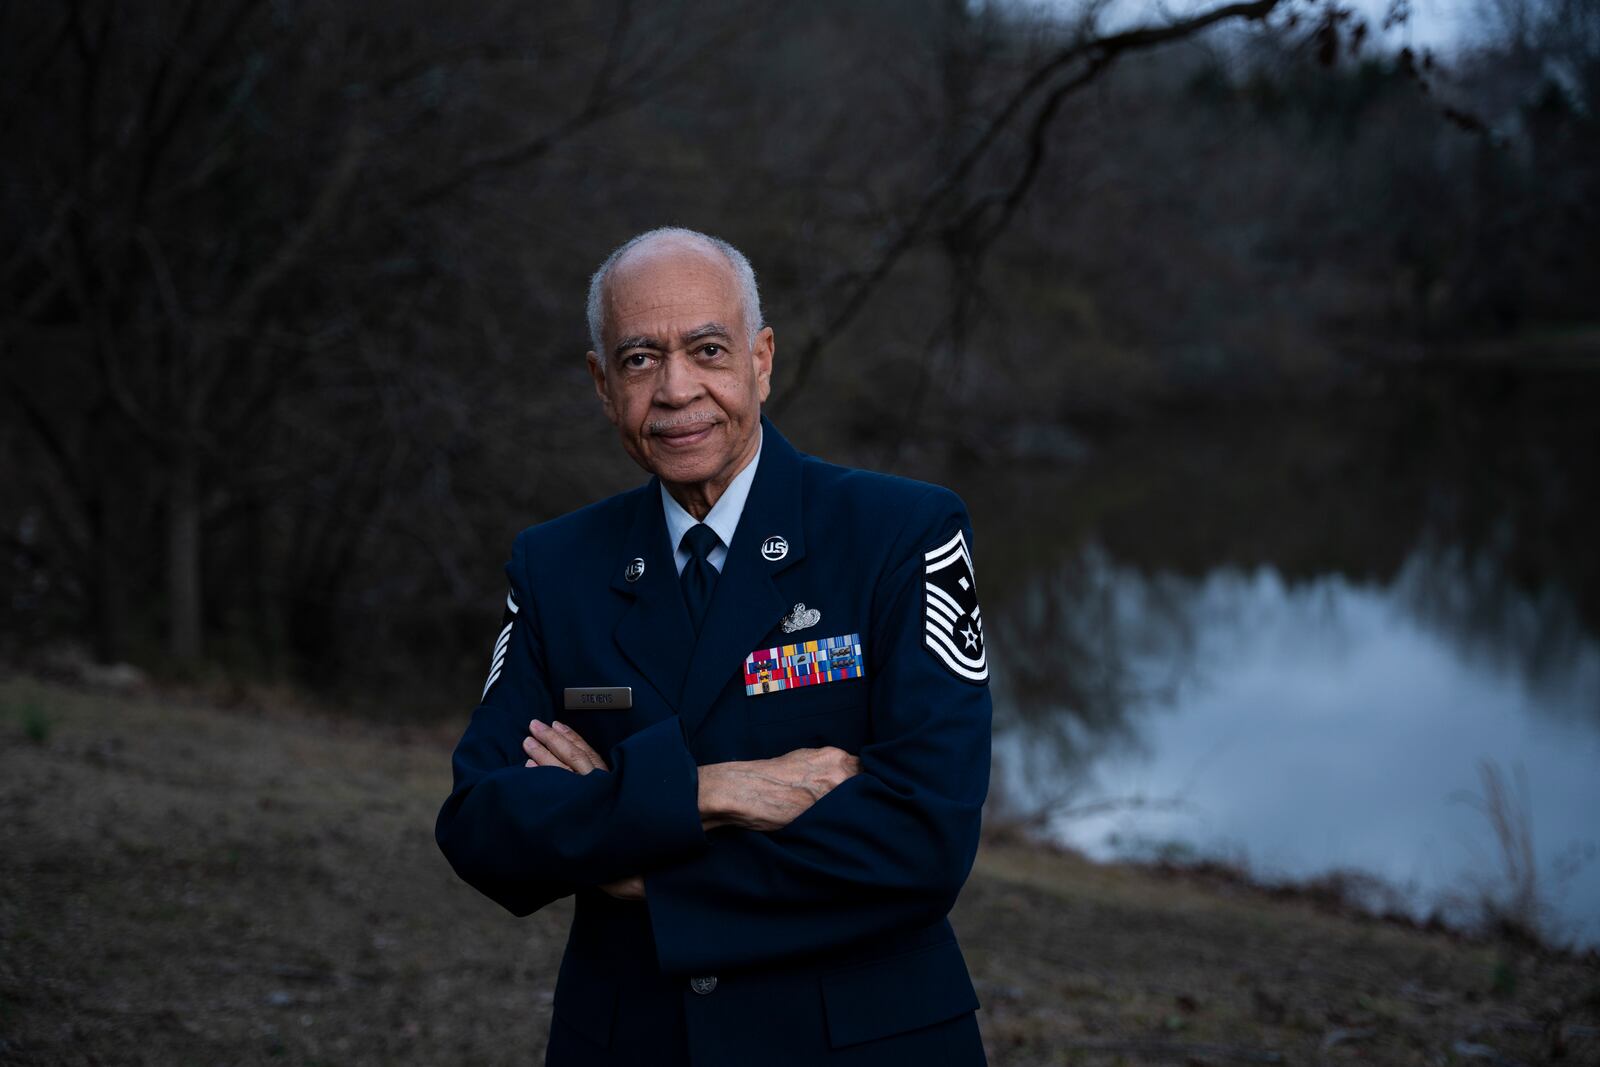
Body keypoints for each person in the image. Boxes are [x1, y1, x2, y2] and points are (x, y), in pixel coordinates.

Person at [435, 227, 993, 1066]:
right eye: (638, 359)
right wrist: (710, 792)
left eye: (706, 348)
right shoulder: (557, 567)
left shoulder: (900, 534)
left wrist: (638, 869)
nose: (676, 389)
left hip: (860, 1044)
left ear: (762, 360)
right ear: (600, 382)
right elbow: (484, 824)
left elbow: (922, 840)